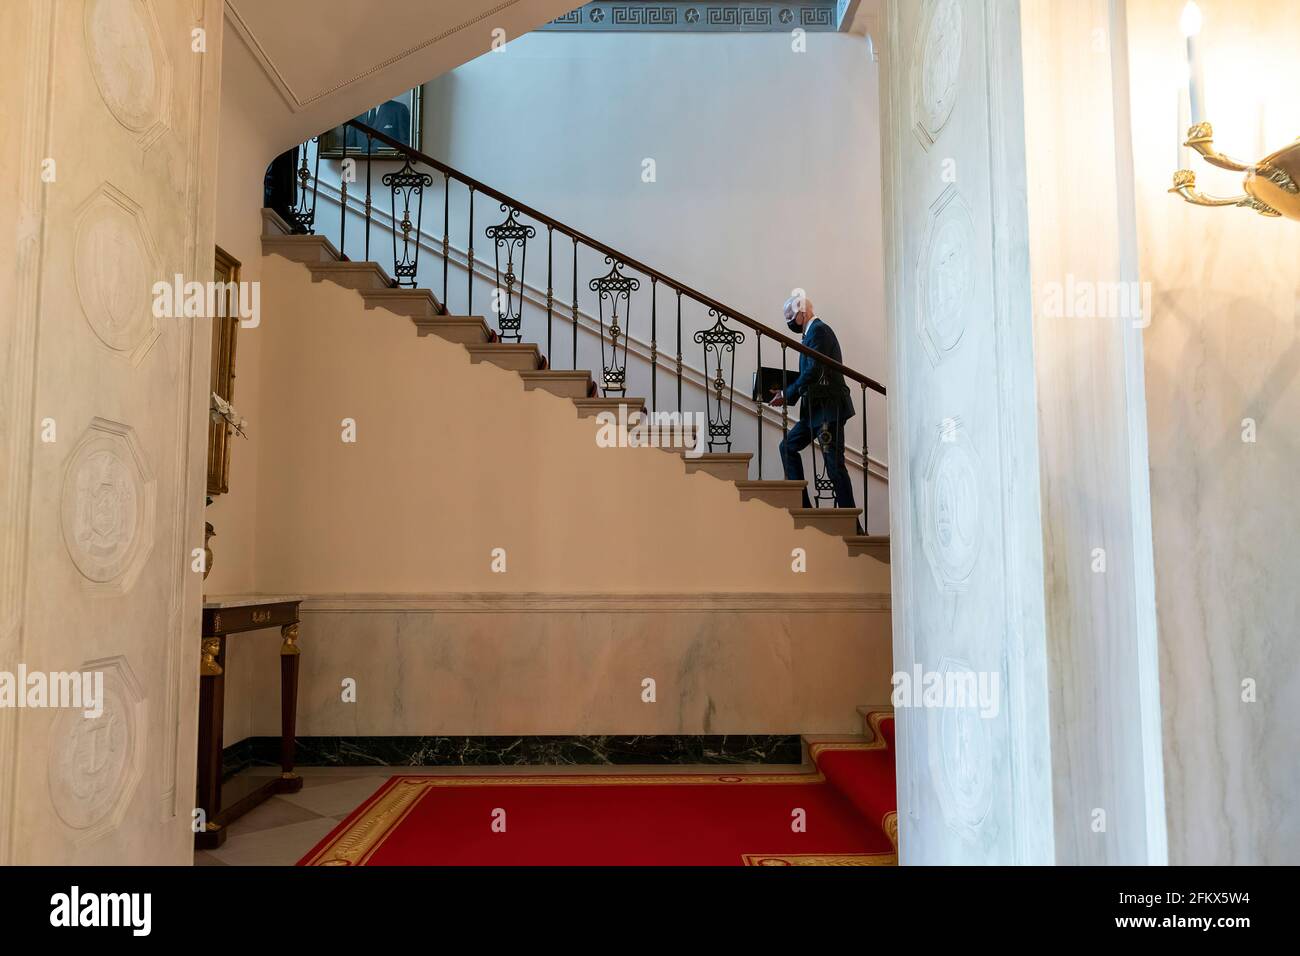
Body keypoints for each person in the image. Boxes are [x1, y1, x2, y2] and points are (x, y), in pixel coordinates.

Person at [769, 294, 858, 520]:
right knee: (787, 446)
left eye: (790, 317)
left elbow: (813, 371)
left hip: (828, 410)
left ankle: (851, 524)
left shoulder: (819, 330)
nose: (789, 322)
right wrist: (783, 392)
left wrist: (787, 393)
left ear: (802, 313)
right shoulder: (810, 334)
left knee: (834, 467)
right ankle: (804, 508)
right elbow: (809, 374)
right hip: (814, 413)